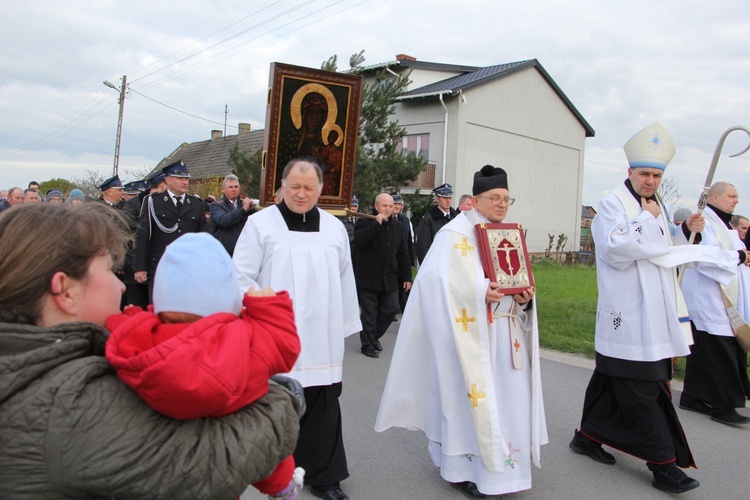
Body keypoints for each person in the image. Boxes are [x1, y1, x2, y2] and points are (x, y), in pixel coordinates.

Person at [0, 203, 301, 499]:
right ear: (65, 291)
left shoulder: (35, 362)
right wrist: (278, 400)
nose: (121, 286)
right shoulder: (67, 404)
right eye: (110, 270)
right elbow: (215, 456)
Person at [568, 123, 738, 494]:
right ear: (629, 172)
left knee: (614, 377)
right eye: (644, 174)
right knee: (643, 387)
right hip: (628, 312)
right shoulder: (613, 204)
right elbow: (615, 250)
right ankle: (663, 464)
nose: (651, 181)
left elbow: (660, 248)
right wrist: (647, 218)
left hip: (654, 308)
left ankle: (588, 437)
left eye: (657, 175)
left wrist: (682, 231)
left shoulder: (655, 204)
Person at [376, 164, 547, 497]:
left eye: (506, 199)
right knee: (467, 406)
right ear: (476, 201)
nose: (501, 204)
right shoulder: (454, 235)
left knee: (510, 402)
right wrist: (480, 290)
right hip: (469, 338)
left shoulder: (509, 234)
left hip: (505, 333)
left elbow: (518, 280)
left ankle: (507, 469)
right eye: (494, 198)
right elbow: (434, 283)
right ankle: (463, 470)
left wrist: (525, 300)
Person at [106, 233, 305, 499]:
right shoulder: (247, 346)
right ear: (229, 303)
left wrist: (134, 317)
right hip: (219, 485)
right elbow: (284, 345)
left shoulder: (139, 342)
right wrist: (268, 307)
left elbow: (118, 328)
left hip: (152, 480)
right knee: (253, 434)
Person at [233, 158, 362, 500]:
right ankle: (270, 471)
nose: (301, 194)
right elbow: (240, 275)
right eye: (294, 187)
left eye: (308, 188)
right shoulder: (261, 225)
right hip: (277, 332)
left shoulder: (334, 229)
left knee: (322, 401)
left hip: (322, 332)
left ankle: (326, 478)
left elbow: (345, 276)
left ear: (321, 189)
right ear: (282, 186)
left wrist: (347, 322)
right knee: (276, 399)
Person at [677, 182, 750, 424]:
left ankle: (692, 397)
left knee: (702, 350)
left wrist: (741, 258)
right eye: (732, 195)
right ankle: (723, 406)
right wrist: (738, 257)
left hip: (718, 295)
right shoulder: (704, 221)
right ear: (715, 198)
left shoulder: (724, 223)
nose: (736, 200)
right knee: (721, 353)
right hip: (706, 297)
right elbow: (701, 256)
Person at [133, 160, 210, 301]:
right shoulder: (153, 202)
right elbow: (143, 235)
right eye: (180, 178)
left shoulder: (196, 205)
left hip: (187, 268)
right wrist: (140, 267)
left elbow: (204, 238)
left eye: (186, 178)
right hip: (160, 266)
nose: (185, 182)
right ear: (168, 180)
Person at [354, 193, 412, 358]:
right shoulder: (364, 222)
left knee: (391, 309)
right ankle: (367, 345)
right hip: (368, 277)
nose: (387, 209)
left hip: (390, 278)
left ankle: (373, 337)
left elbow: (403, 253)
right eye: (384, 206)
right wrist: (376, 224)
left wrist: (407, 276)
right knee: (369, 314)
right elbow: (359, 241)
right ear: (376, 206)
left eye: (390, 206)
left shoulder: (398, 226)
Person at [210, 174, 257, 256]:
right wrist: (243, 210)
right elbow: (225, 221)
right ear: (223, 189)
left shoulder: (244, 204)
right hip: (224, 252)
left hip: (243, 251)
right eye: (230, 187)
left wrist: (251, 210)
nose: (233, 190)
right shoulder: (216, 205)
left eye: (236, 187)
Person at [415, 183, 458, 264]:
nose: (448, 201)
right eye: (445, 198)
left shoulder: (456, 218)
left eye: (450, 197)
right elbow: (423, 247)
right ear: (437, 199)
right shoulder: (428, 220)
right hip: (436, 263)